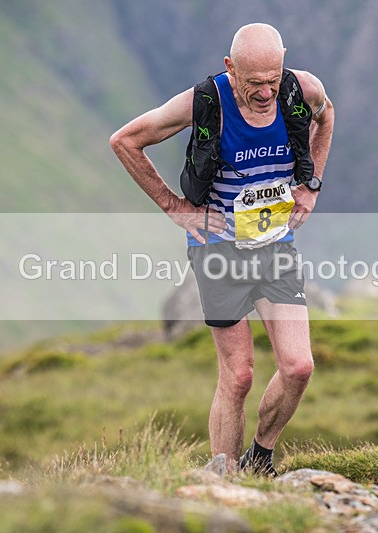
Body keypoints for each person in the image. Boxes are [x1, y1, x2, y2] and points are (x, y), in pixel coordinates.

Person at [110, 23, 334, 475]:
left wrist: (311, 185)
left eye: (273, 80)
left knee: (299, 366)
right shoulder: (203, 102)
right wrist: (175, 208)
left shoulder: (302, 89)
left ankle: (260, 456)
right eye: (254, 84)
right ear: (230, 69)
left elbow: (327, 115)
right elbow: (126, 140)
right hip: (219, 251)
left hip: (275, 247)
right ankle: (224, 480)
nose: (267, 93)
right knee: (239, 376)